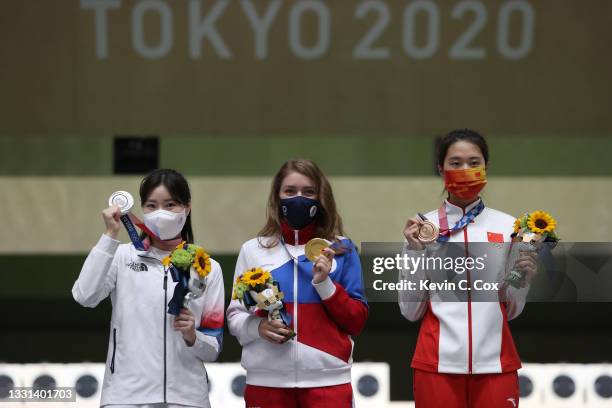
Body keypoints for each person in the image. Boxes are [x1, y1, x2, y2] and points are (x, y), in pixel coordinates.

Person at [399, 129, 537, 408]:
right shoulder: (421, 228)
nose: (465, 170)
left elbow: (510, 310)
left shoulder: (508, 227)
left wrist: (520, 278)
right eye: (455, 163)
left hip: (496, 364)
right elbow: (410, 310)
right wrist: (415, 253)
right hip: (436, 365)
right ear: (441, 169)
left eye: (474, 163)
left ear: (486, 168)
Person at [72, 169, 224, 408]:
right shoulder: (121, 256)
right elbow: (84, 295)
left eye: (170, 204)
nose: (161, 213)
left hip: (187, 399)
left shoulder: (208, 268)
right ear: (140, 209)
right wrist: (110, 235)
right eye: (152, 206)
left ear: (187, 207)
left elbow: (213, 349)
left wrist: (193, 336)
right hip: (126, 397)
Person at [227, 158, 368, 408]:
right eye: (290, 191)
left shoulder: (341, 249)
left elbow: (356, 321)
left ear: (321, 198)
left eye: (308, 192)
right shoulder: (253, 250)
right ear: (277, 197)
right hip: (266, 386)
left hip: (329, 385)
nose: (298, 198)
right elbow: (235, 316)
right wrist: (257, 328)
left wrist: (325, 285)